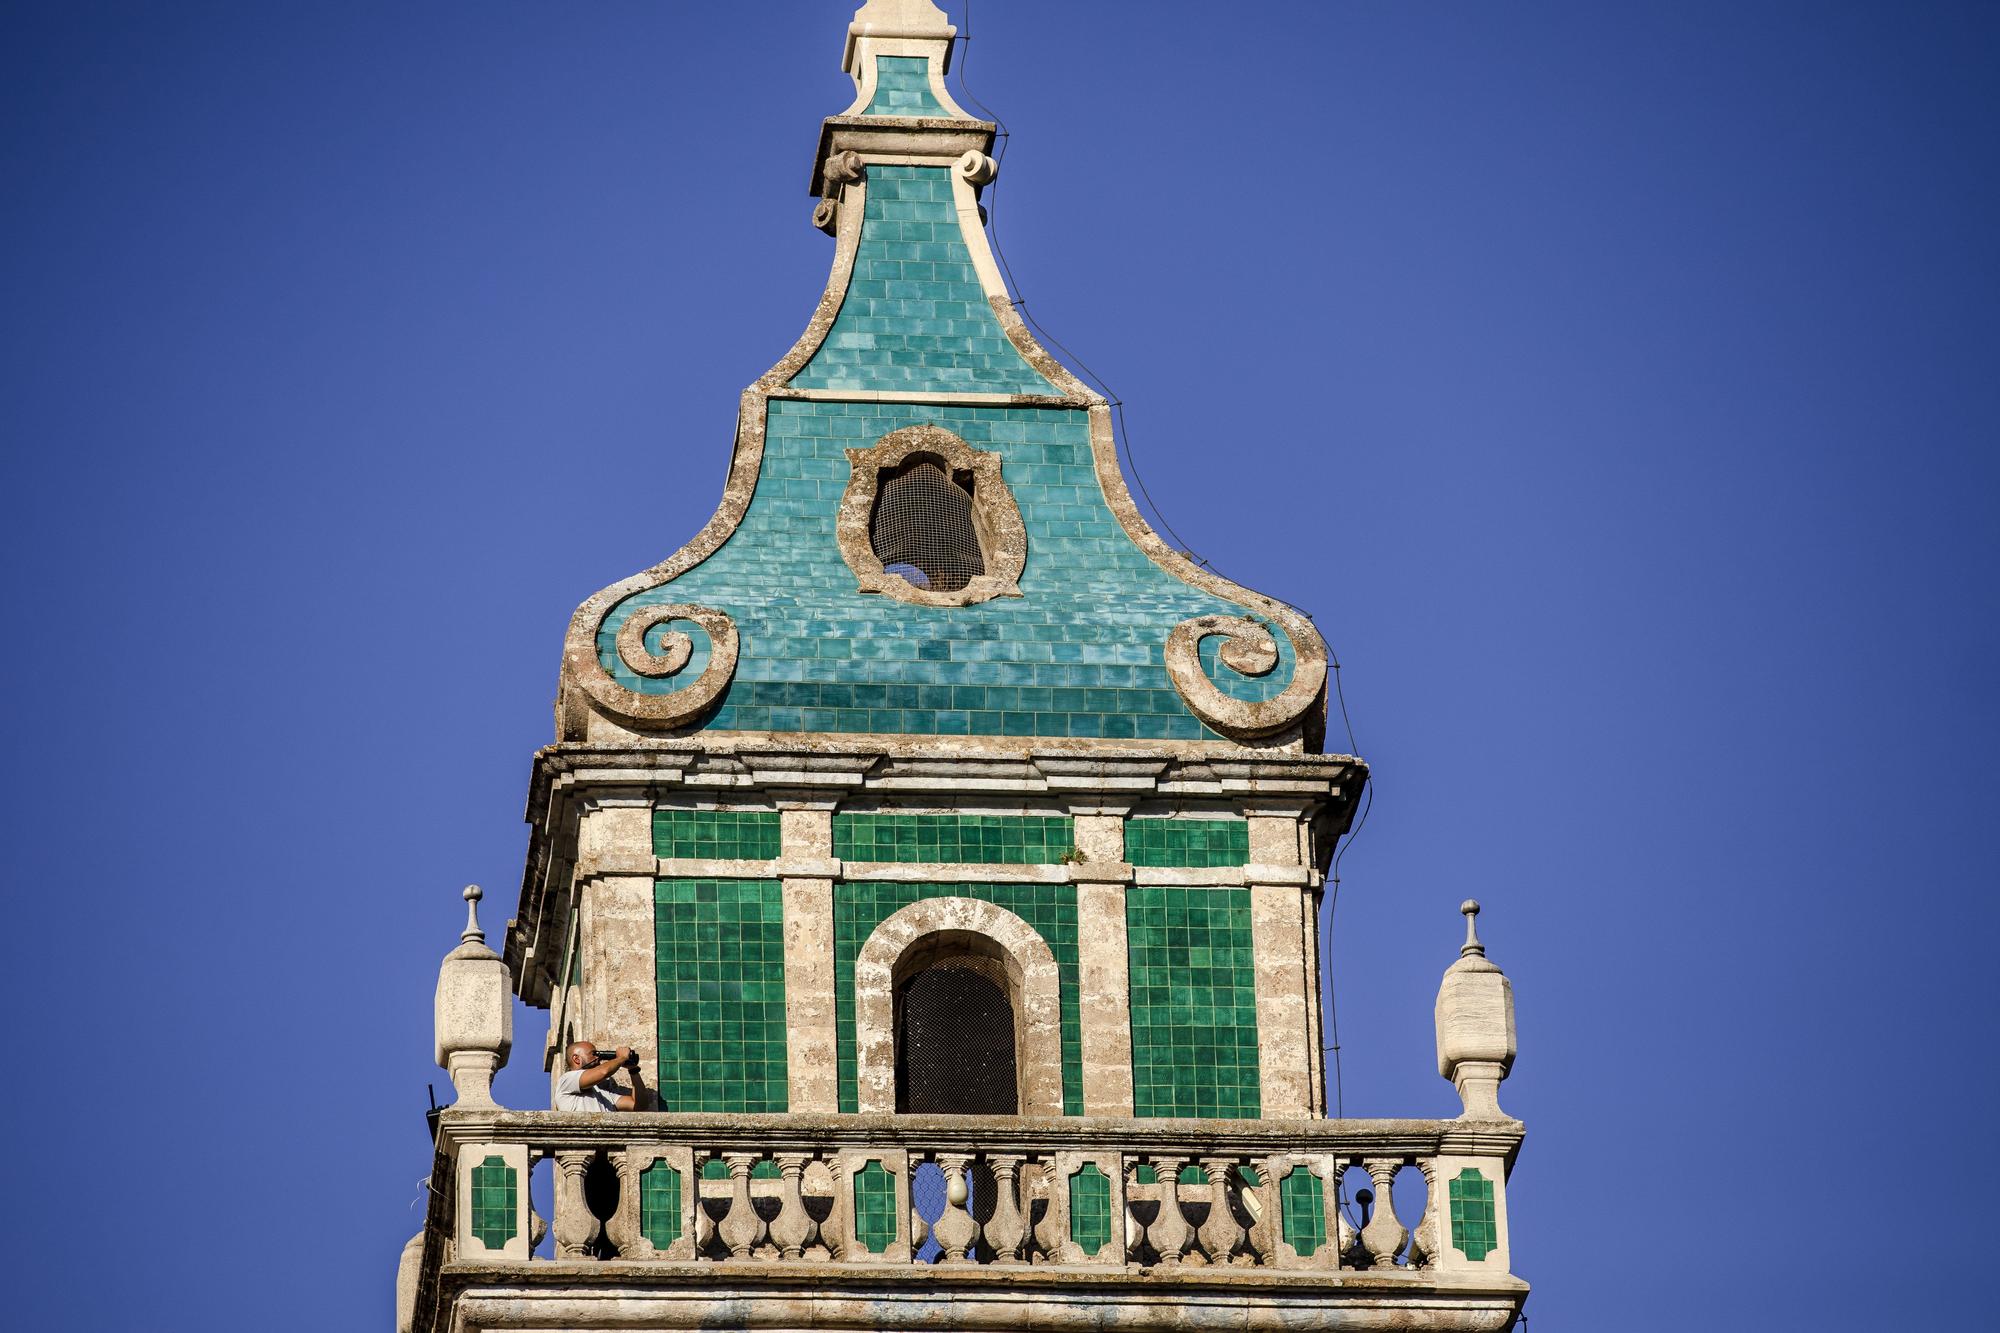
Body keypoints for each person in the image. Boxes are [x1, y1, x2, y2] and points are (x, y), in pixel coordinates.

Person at [554, 1041, 645, 1112]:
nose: (598, 1058)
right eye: (593, 1054)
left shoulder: (602, 1094)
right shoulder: (566, 1080)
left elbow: (638, 1105)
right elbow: (603, 1072)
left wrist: (633, 1070)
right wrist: (621, 1058)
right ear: (577, 1059)